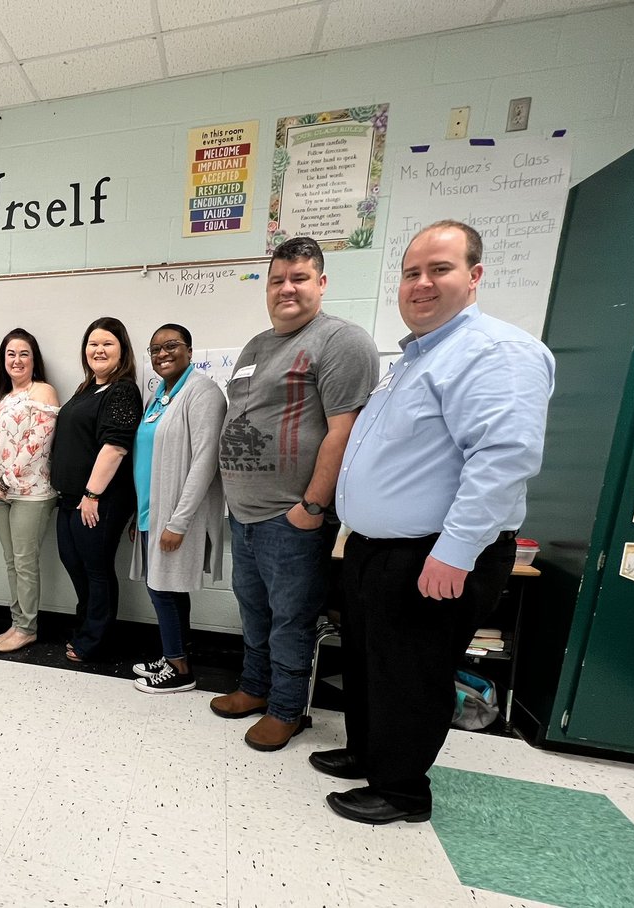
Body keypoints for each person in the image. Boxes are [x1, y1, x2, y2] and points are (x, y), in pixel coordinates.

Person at [315, 220, 555, 825]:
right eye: (411, 272)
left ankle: (400, 791)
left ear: (474, 277)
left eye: (439, 269)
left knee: (411, 671)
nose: (421, 283)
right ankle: (369, 754)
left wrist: (455, 552)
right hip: (379, 547)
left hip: (434, 552)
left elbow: (502, 459)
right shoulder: (415, 358)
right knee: (373, 661)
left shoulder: (495, 352)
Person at [213, 236, 379, 751]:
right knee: (253, 609)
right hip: (243, 513)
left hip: (292, 517)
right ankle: (255, 688)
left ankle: (288, 709)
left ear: (322, 284)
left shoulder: (340, 341)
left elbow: (343, 430)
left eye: (299, 278)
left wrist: (311, 507)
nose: (286, 288)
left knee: (291, 618)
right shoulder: (256, 346)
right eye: (277, 279)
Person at [128, 324, 226, 693]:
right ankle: (174, 654)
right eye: (155, 349)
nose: (162, 354)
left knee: (163, 589)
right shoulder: (161, 393)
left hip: (174, 513)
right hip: (151, 509)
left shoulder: (202, 392)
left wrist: (180, 521)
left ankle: (180, 670)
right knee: (166, 588)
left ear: (189, 349)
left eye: (171, 346)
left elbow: (205, 460)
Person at [51, 316, 142, 663]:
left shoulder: (122, 389)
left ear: (122, 351)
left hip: (100, 499)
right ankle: (87, 625)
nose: (98, 350)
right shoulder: (86, 389)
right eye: (93, 343)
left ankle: (95, 639)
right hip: (71, 499)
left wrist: (92, 495)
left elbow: (115, 447)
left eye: (107, 343)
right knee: (74, 562)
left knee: (96, 569)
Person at [0, 328, 60, 653]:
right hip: (1, 494)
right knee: (11, 561)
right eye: (10, 354)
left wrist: (3, 482)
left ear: (34, 359)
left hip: (33, 492)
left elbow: (36, 445)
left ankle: (27, 627)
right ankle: (16, 624)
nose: (17, 360)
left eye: (24, 353)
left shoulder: (43, 391)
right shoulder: (1, 399)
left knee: (25, 561)